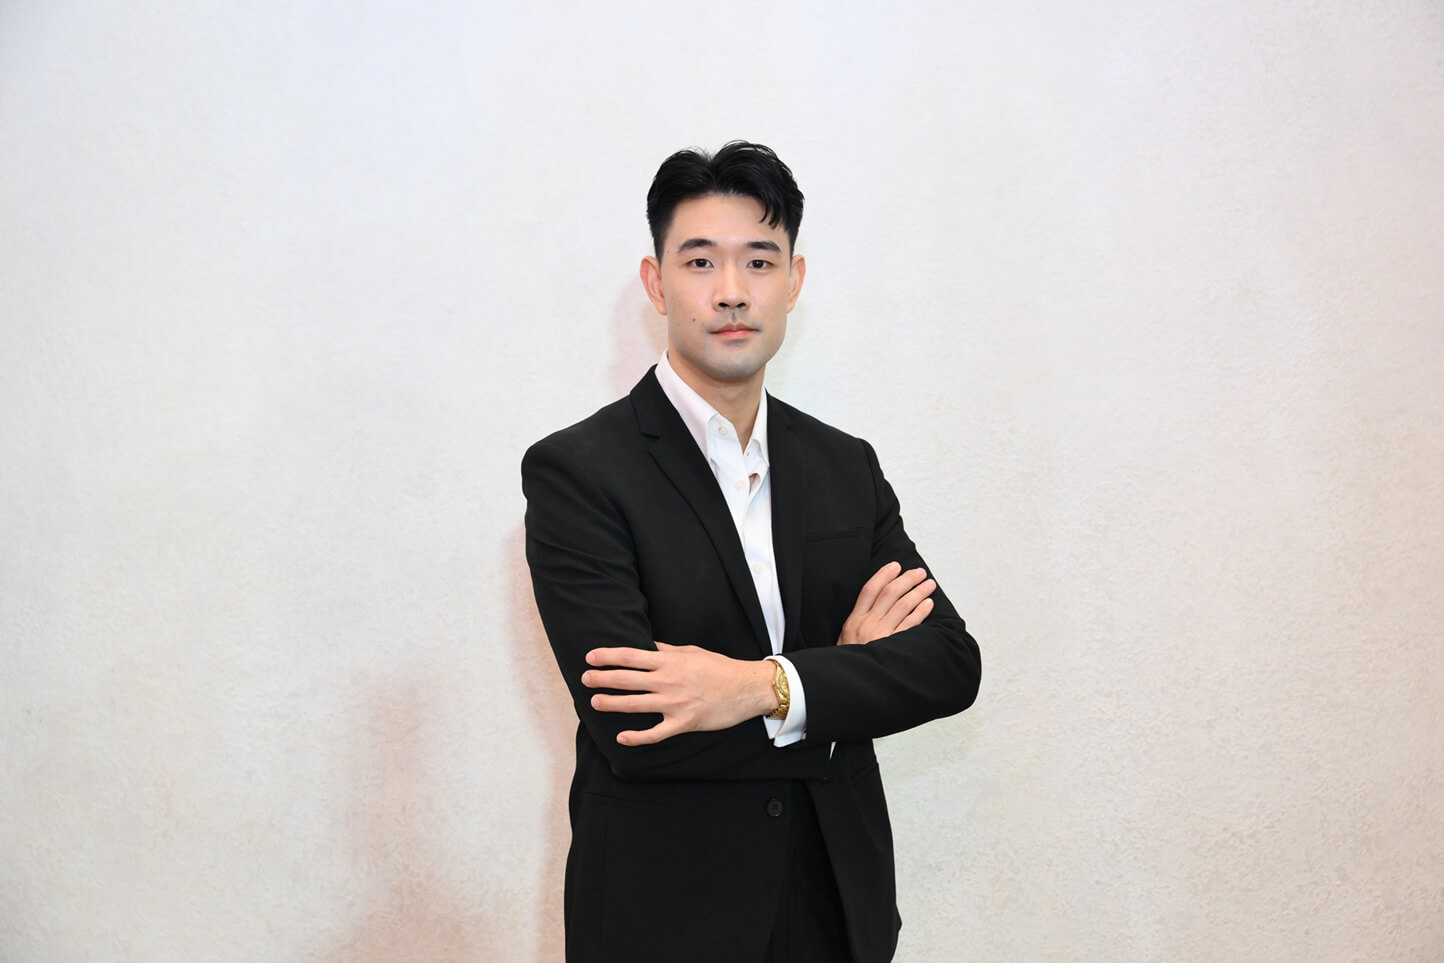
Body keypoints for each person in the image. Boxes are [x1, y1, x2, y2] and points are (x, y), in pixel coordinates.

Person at [521, 141, 981, 963]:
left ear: (793, 281)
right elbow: (636, 726)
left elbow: (949, 663)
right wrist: (841, 682)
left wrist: (757, 686)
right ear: (657, 282)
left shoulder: (845, 465)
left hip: (836, 910)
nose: (732, 290)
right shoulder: (579, 472)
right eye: (700, 261)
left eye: (759, 261)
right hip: (667, 921)